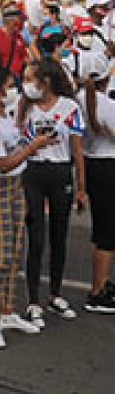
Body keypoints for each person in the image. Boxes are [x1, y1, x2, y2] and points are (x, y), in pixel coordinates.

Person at [0, 61, 50, 349]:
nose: (14, 91)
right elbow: (3, 164)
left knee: (16, 252)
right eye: (9, 87)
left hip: (14, 188)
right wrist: (32, 148)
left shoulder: (6, 116)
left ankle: (7, 312)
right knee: (3, 256)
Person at [17, 58, 87, 327]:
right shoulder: (24, 107)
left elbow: (77, 150)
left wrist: (82, 188)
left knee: (60, 235)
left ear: (45, 80)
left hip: (60, 173)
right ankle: (33, 300)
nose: (27, 84)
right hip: (33, 173)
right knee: (35, 237)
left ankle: (55, 294)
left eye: (30, 78)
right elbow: (14, 142)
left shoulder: (70, 108)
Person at [78, 55, 115, 313]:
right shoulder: (105, 105)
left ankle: (100, 282)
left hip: (91, 163)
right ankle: (97, 291)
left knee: (100, 227)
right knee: (108, 232)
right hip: (107, 165)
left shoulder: (78, 98)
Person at [0, 3, 28, 82]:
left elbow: (24, 56)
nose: (21, 24)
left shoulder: (18, 37)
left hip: (18, 78)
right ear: (11, 21)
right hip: (3, 80)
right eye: (19, 21)